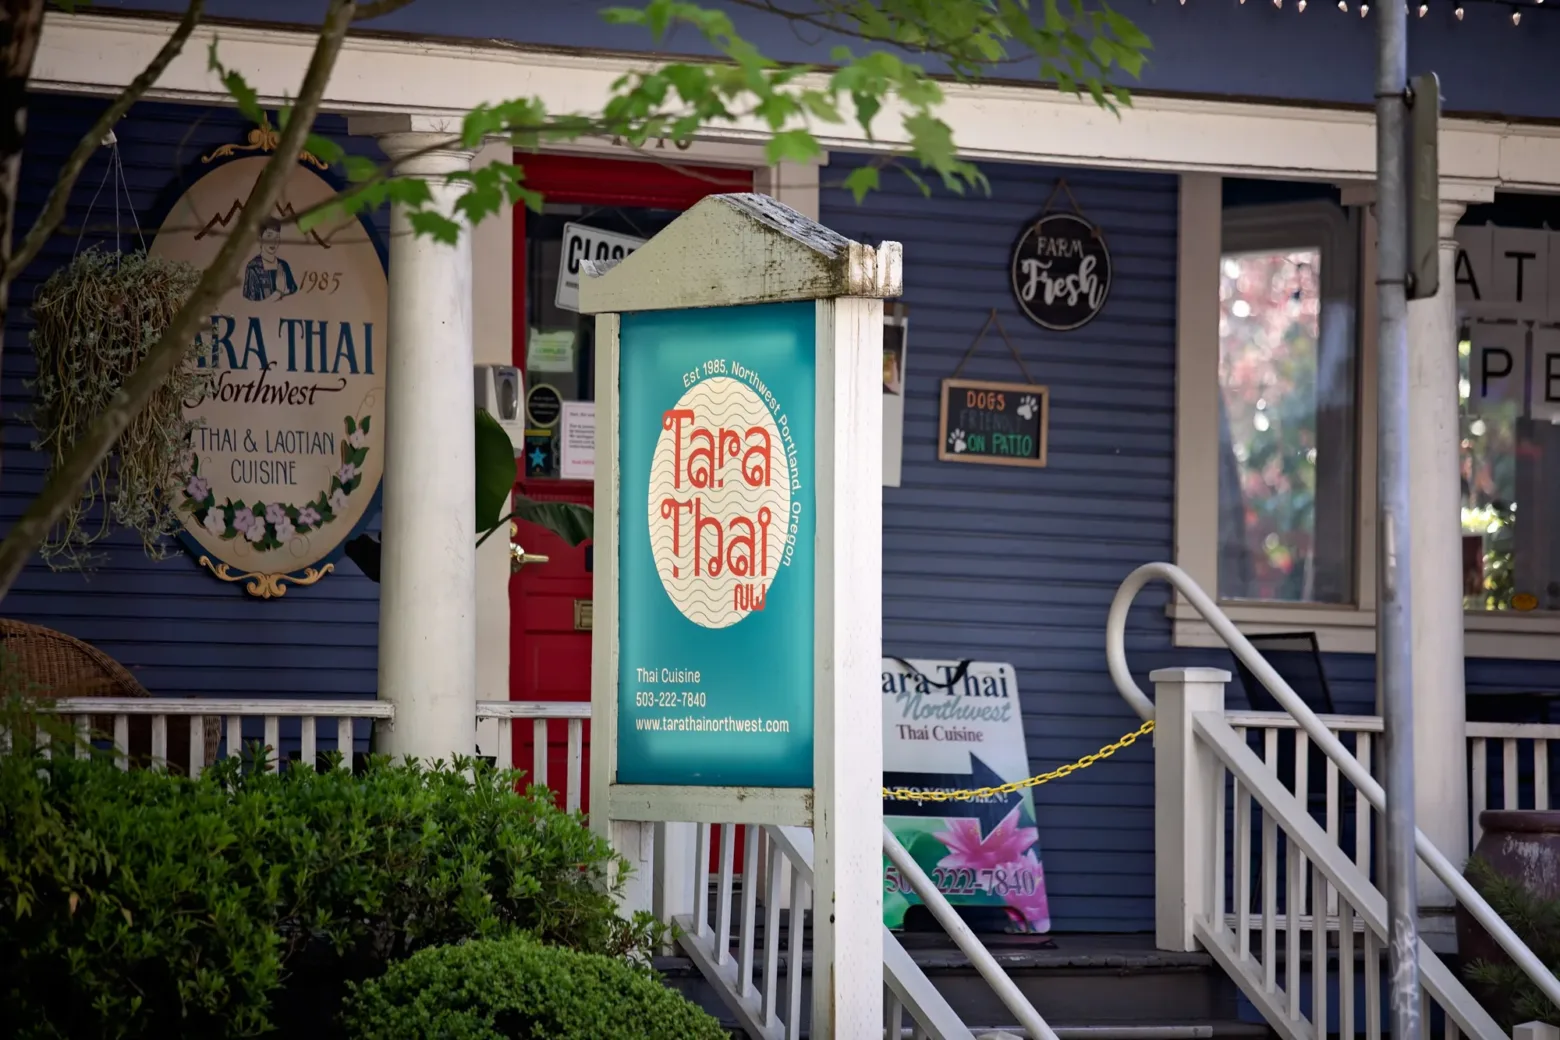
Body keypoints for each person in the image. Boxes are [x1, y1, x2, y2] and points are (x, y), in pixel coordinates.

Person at [242, 217, 297, 302]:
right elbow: (250, 305)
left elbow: (293, 293)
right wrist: (278, 292)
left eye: (277, 237)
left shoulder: (283, 265)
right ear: (260, 239)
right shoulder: (253, 267)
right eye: (269, 236)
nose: (273, 241)